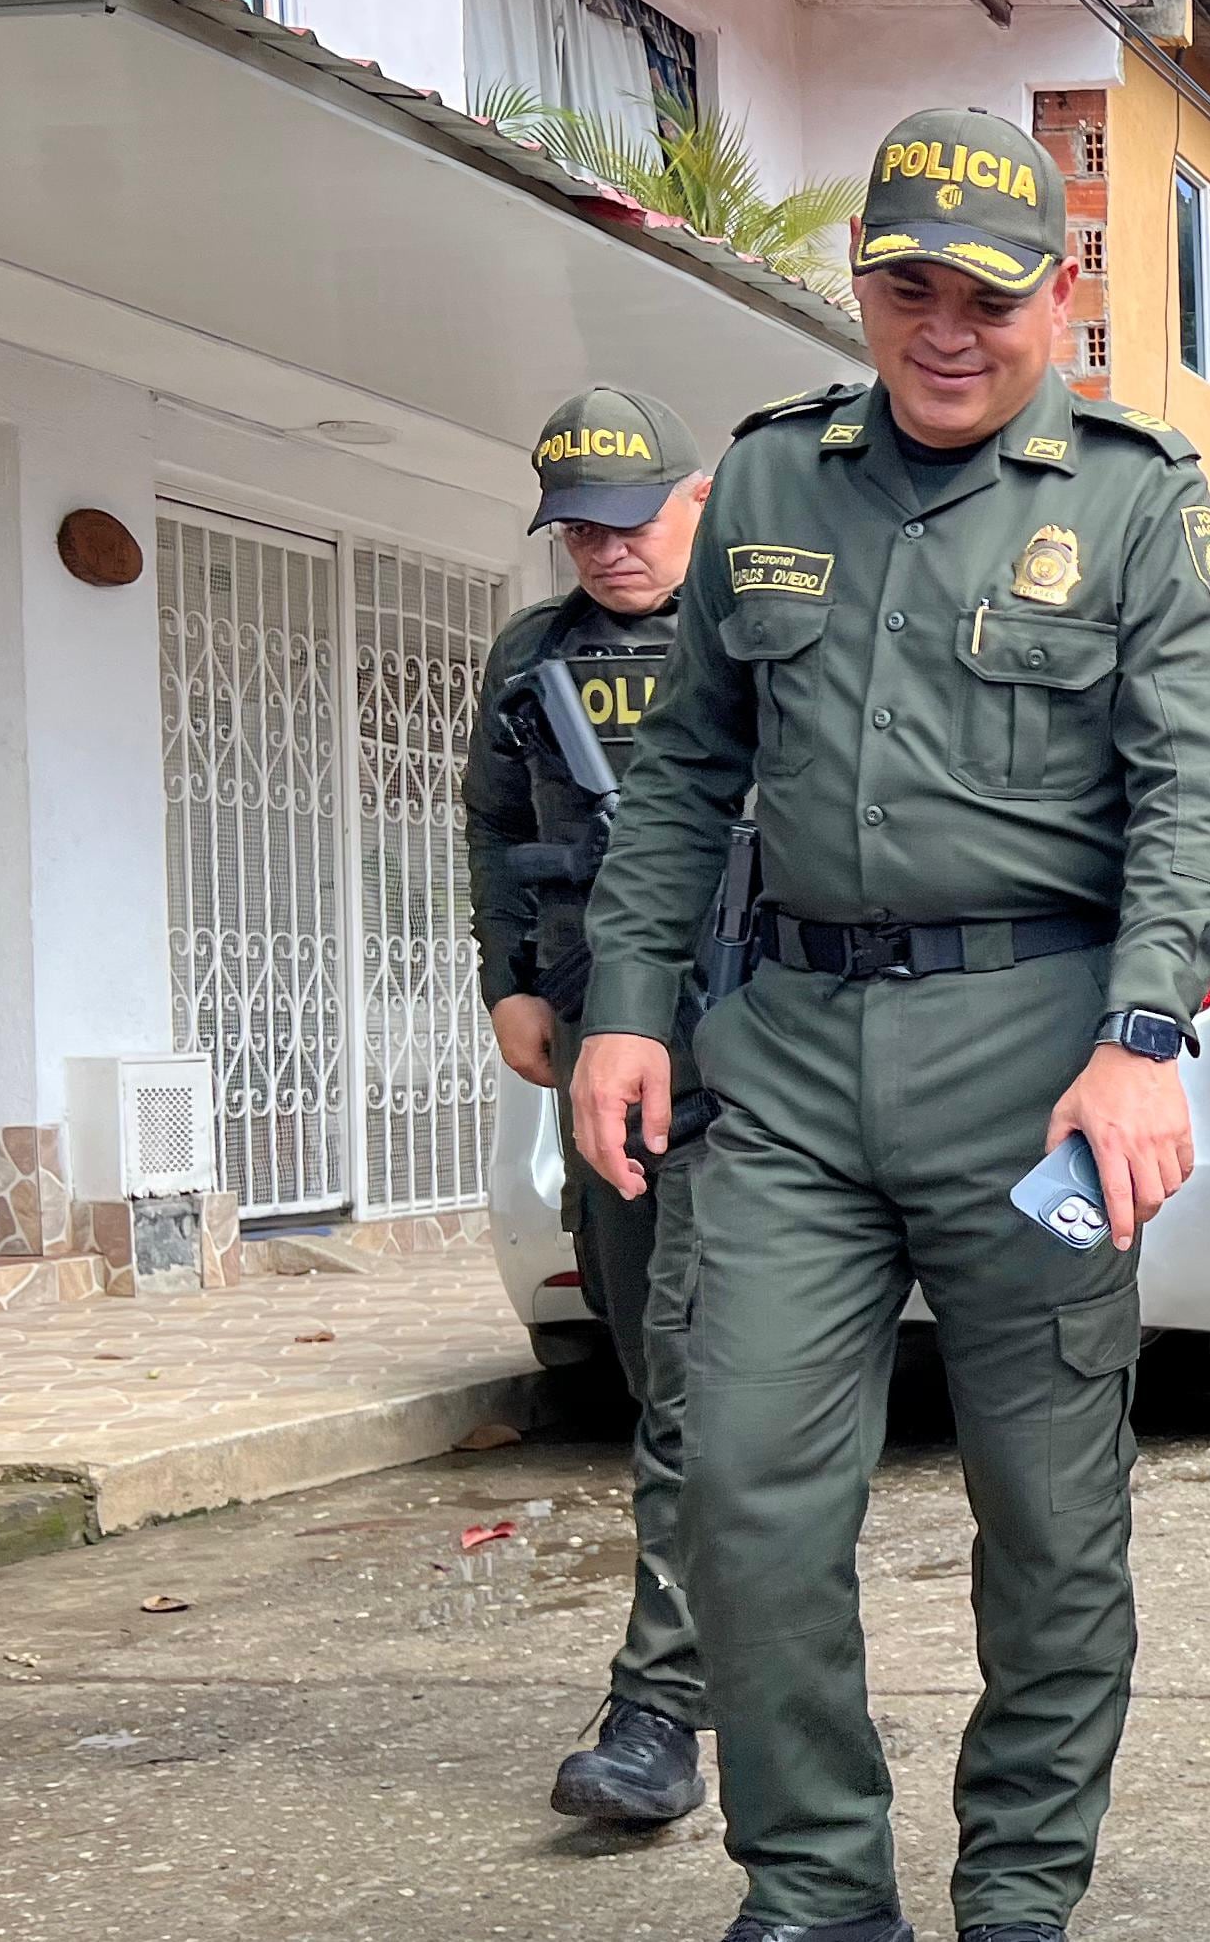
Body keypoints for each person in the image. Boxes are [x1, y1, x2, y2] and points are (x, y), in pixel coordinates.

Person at [564, 108, 1210, 1942]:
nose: (945, 327)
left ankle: (1017, 1890)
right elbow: (685, 768)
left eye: (986, 294)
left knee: (1047, 1522)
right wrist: (627, 1007)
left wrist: (1142, 1033)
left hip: (1037, 1067)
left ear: (1061, 294)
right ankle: (815, 1889)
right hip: (784, 1055)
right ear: (859, 285)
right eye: (905, 287)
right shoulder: (771, 478)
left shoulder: (1127, 493)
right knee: (746, 1488)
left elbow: (1196, 783)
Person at [462, 385, 718, 1829]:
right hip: (596, 1061)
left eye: (630, 521)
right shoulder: (531, 658)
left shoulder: (754, 635)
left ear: (693, 500)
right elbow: (501, 830)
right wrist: (508, 982)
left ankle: (660, 1709)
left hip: (749, 1054)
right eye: (580, 531)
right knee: (650, 1369)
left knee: (692, 1379)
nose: (608, 553)